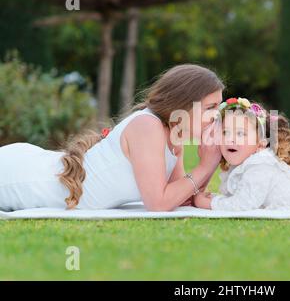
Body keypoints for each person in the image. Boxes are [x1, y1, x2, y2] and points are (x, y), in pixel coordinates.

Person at [0, 64, 224, 212]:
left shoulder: (175, 135)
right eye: (210, 107)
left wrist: (212, 158)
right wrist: (206, 165)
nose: (216, 115)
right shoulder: (148, 127)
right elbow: (159, 202)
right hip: (27, 180)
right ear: (183, 103)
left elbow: (182, 197)